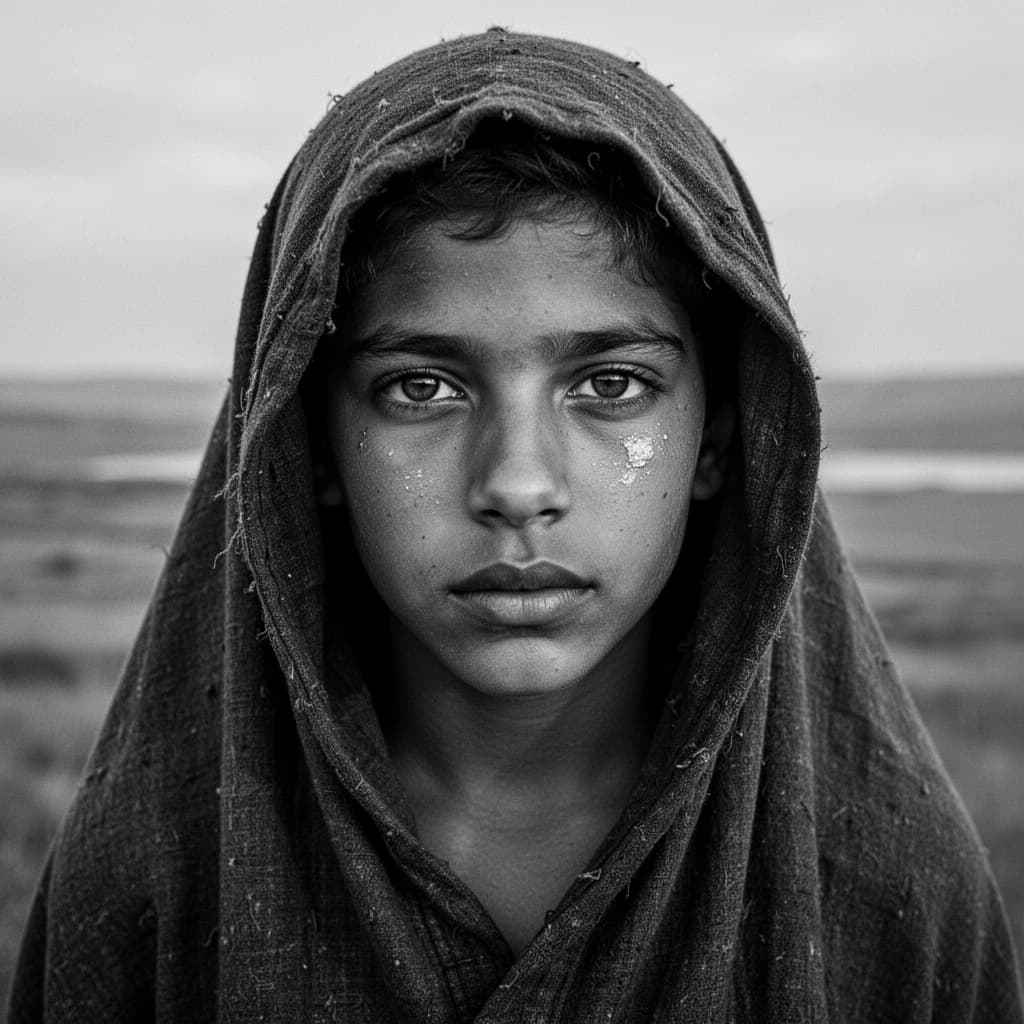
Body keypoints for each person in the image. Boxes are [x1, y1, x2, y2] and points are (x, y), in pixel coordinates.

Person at [8, 28, 1022, 1023]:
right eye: (421, 387)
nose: (518, 482)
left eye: (612, 383)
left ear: (717, 436)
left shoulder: (891, 893)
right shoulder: (154, 885)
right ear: (306, 440)